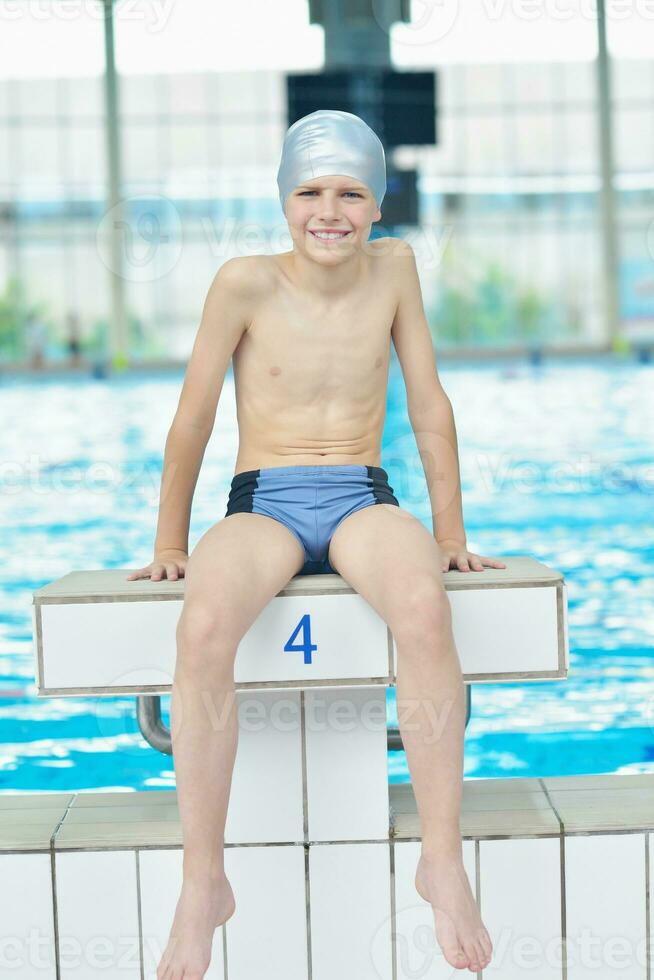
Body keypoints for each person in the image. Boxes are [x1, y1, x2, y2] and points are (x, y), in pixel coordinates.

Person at [128, 108, 505, 978]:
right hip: (264, 499)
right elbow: (192, 416)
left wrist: (449, 532)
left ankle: (440, 856)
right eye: (309, 192)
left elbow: (429, 403)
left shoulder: (397, 271)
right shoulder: (243, 282)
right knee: (202, 629)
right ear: (283, 201)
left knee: (422, 605)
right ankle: (203, 881)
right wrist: (170, 542)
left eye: (350, 193)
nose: (328, 210)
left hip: (361, 495)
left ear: (378, 206)